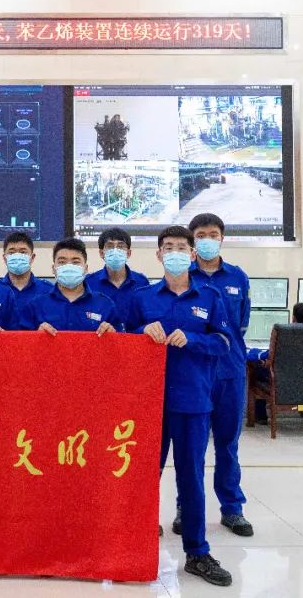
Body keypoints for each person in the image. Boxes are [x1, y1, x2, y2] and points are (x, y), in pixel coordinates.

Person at [125, 225, 233, 587]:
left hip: (192, 402)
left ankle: (197, 553)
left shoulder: (211, 297)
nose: (174, 253)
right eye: (167, 247)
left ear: (192, 254)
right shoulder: (142, 298)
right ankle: (132, 547)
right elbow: (121, 341)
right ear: (158, 255)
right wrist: (140, 333)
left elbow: (224, 343)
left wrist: (194, 340)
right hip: (149, 404)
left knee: (191, 478)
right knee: (143, 477)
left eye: (181, 248)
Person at [171, 213, 254, 538]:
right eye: (201, 235)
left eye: (213, 234)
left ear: (222, 238)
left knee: (227, 443)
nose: (207, 239)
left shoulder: (237, 277)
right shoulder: (182, 277)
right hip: (193, 375)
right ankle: (186, 507)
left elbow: (240, 324)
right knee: (190, 449)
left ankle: (232, 509)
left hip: (229, 372)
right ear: (192, 243)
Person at [18, 237, 119, 335]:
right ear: (53, 269)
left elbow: (121, 341)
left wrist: (112, 335)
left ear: (86, 268)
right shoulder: (36, 305)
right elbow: (21, 342)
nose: (69, 266)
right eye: (62, 262)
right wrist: (36, 336)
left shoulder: (105, 304)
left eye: (76, 262)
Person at [248, 302, 303, 425]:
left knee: (257, 369)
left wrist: (251, 352)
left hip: (281, 383)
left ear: (293, 318)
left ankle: (260, 417)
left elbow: (267, 356)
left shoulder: (285, 334)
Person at [85, 227, 150, 311]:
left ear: (128, 253)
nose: (115, 251)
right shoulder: (89, 282)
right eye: (110, 246)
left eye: (120, 246)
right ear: (101, 253)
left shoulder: (142, 282)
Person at [0, 231, 53, 317]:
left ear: (32, 257)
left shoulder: (48, 290)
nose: (17, 256)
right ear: (4, 258)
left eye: (23, 252)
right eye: (11, 253)